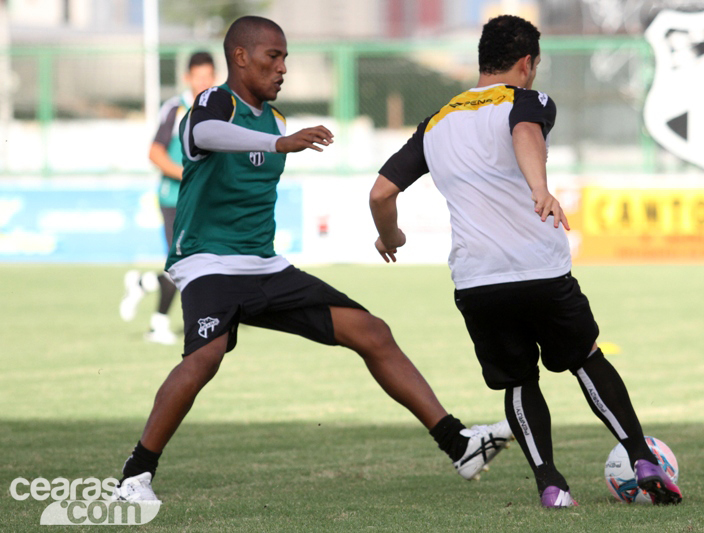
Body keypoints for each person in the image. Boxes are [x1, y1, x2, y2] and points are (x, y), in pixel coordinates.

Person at [114, 16, 512, 504]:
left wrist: (280, 139)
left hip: (266, 266)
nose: (283, 68)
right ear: (240, 57)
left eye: (286, 58)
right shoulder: (214, 103)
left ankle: (459, 444)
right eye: (272, 56)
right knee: (205, 357)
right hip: (208, 262)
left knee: (372, 331)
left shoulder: (277, 119)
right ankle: (135, 476)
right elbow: (209, 133)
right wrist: (277, 144)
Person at [369, 15, 683, 508]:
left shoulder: (435, 121)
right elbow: (524, 132)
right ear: (526, 63)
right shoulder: (525, 100)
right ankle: (642, 456)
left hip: (477, 281)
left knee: (518, 381)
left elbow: (381, 191)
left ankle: (552, 486)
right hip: (538, 269)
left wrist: (390, 234)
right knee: (586, 360)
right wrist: (540, 189)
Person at [119, 52, 217, 345]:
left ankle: (143, 284)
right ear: (187, 78)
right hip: (174, 199)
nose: (204, 83)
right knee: (184, 263)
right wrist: (186, 174)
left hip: (202, 202)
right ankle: (157, 324)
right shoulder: (175, 109)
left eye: (208, 77)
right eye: (198, 77)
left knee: (197, 263)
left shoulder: (220, 109)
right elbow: (155, 152)